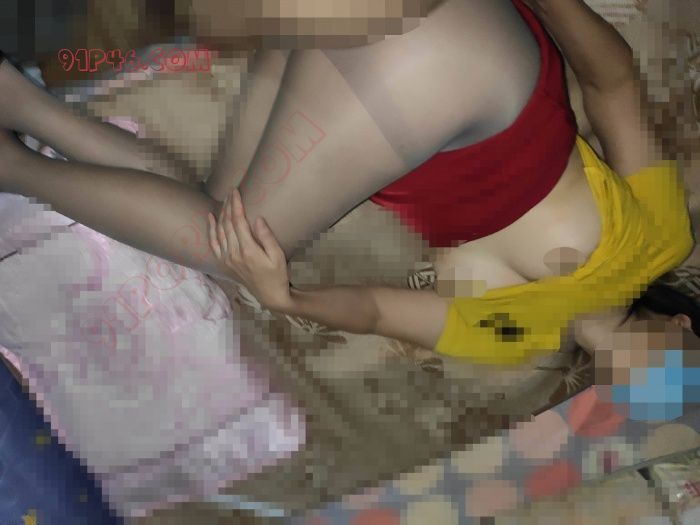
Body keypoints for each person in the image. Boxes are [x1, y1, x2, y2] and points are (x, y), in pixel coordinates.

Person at [0, 0, 697, 371]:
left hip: (381, 101)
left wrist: (288, 297)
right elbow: (614, 86)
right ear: (685, 328)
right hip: (467, 70)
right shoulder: (664, 241)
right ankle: (12, 161)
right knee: (217, 247)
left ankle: (20, 105)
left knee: (224, 217)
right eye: (689, 382)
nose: (671, 398)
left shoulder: (517, 340)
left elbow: (378, 311)